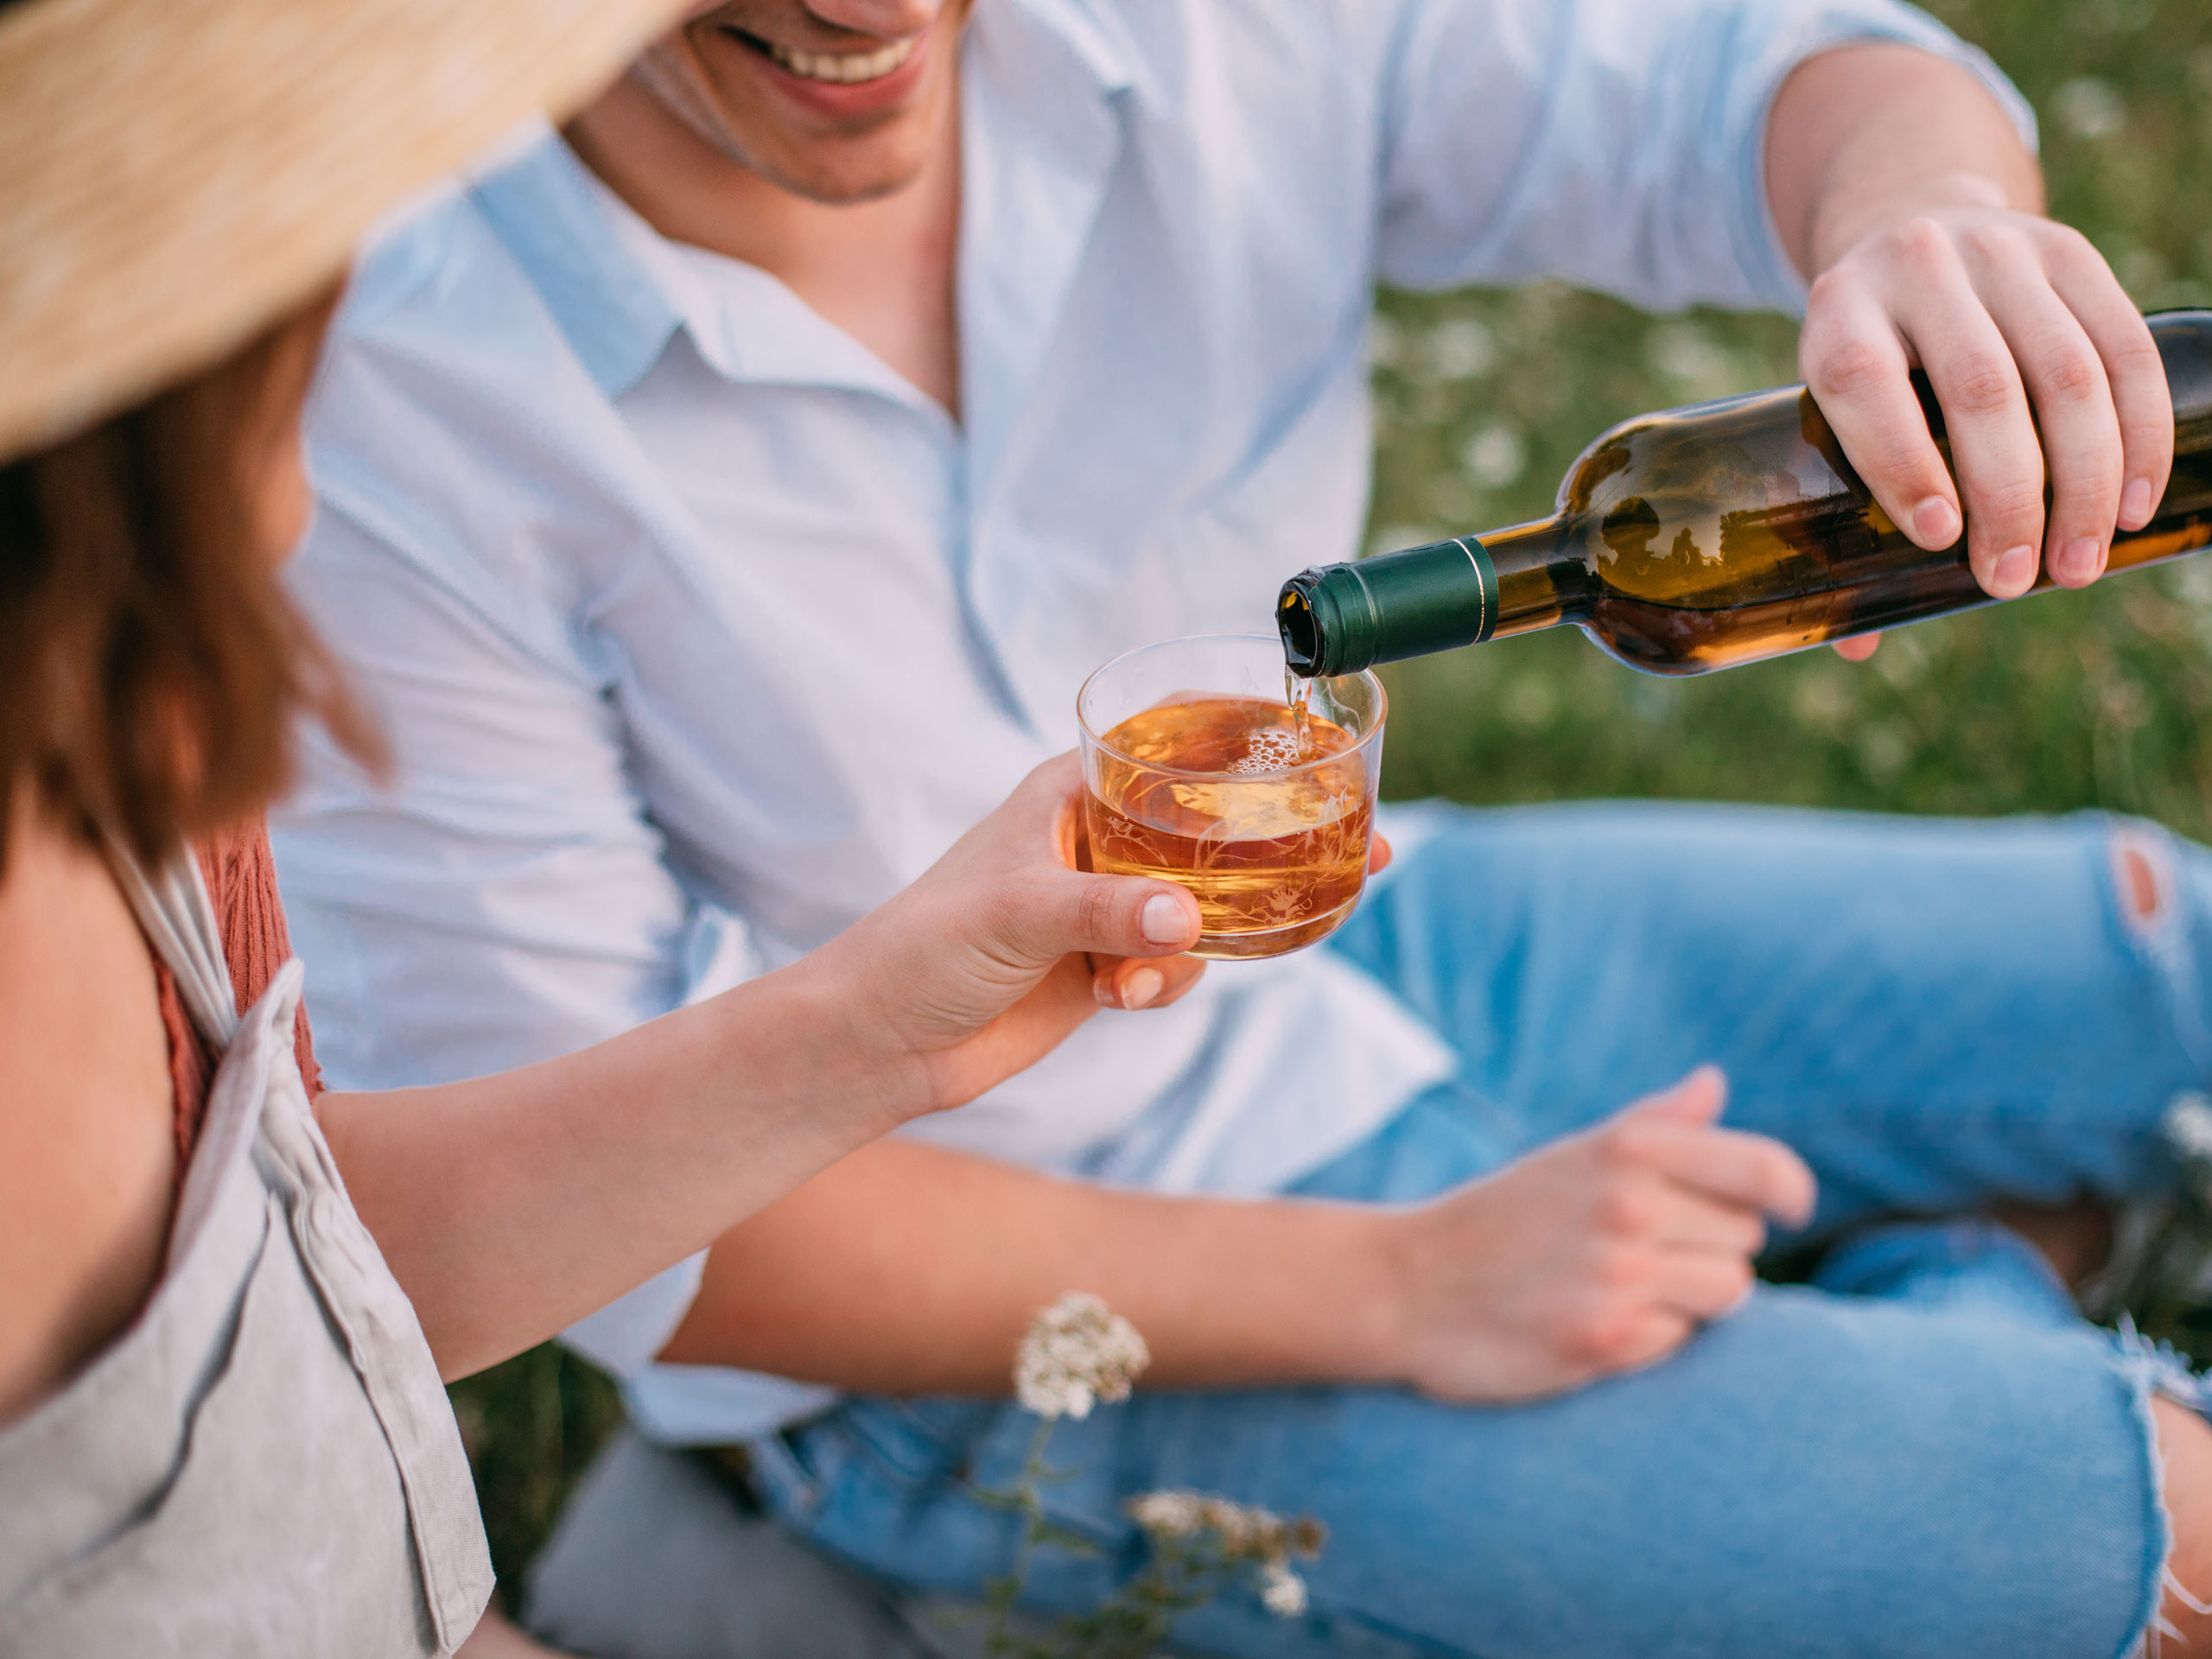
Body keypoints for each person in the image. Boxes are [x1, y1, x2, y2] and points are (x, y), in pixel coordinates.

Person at [270, 0, 2212, 1653]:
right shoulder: (383, 384)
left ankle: (1941, 1308)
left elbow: (1776, 68)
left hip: (1364, 942)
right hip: (973, 1310)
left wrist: (1926, 217)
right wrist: (1412, 1290)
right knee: (2169, 1547)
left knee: (2162, 959)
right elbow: (602, 1230)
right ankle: (1966, 1304)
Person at [0, 0, 1228, 1649]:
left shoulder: (112, 717)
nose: (372, 257)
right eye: (312, 201)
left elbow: (301, 1292)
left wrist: (887, 1027)